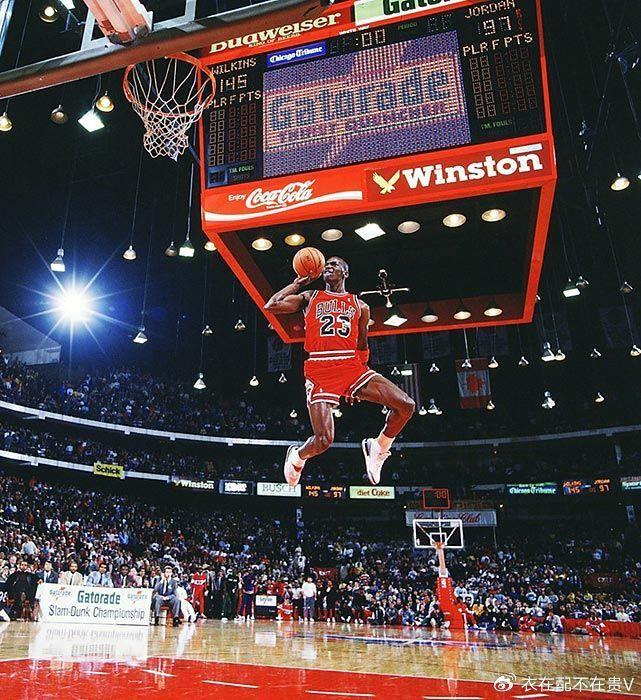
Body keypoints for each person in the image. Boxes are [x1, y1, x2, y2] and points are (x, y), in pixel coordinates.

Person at [264, 256, 415, 486]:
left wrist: (359, 380)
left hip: (351, 366)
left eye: (334, 264)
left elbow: (362, 343)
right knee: (323, 441)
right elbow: (272, 305)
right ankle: (297, 456)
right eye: (326, 264)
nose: (328, 266)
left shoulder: (360, 306)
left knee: (406, 405)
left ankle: (379, 446)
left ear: (345, 273)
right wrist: (297, 284)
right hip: (320, 368)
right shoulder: (310, 297)